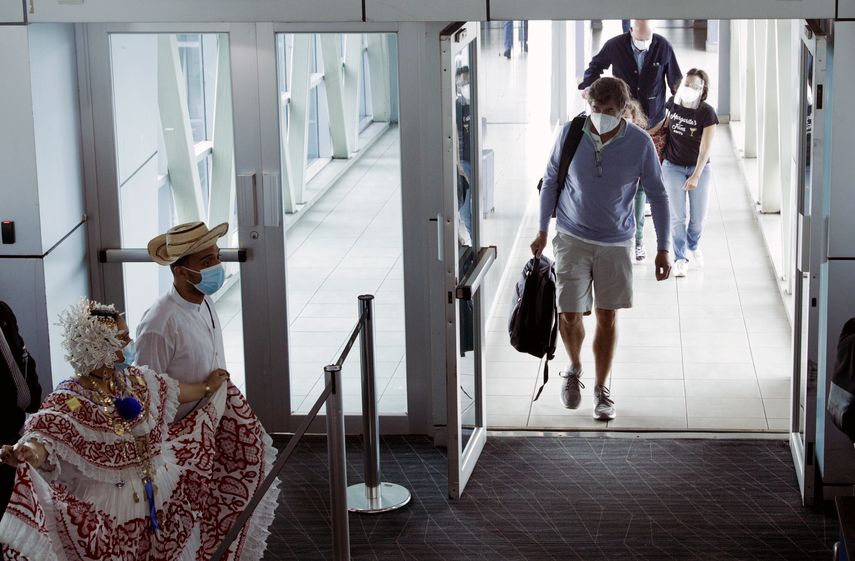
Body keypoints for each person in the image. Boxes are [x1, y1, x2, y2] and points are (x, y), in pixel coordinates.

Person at [0, 299, 273, 560]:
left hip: (160, 500)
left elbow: (173, 390)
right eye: (121, 339)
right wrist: (27, 451)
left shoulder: (134, 379)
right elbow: (46, 434)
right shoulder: (70, 397)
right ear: (98, 347)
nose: (129, 344)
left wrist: (207, 388)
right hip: (110, 513)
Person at [530, 77, 671, 421]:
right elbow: (550, 179)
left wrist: (663, 247)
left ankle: (601, 388)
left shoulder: (639, 143)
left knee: (607, 316)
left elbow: (658, 194)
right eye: (595, 108)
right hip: (571, 236)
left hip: (615, 242)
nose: (600, 115)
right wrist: (542, 230)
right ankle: (575, 367)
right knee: (569, 313)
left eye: (608, 110)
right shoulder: (571, 133)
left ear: (623, 111)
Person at [579, 19, 682, 263]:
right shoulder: (615, 45)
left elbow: (675, 82)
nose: (645, 44)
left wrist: (671, 108)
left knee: (647, 184)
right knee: (630, 183)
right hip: (623, 123)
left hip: (654, 124)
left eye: (648, 40)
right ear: (631, 31)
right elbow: (595, 67)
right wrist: (588, 88)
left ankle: (638, 239)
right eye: (640, 40)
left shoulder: (663, 47)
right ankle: (630, 234)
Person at [662, 68, 719, 278]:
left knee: (698, 218)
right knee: (678, 217)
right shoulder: (672, 104)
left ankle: (693, 245)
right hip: (672, 166)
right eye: (687, 84)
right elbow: (663, 128)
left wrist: (696, 175)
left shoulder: (706, 112)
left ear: (702, 89)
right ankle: (680, 258)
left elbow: (705, 149)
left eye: (695, 86)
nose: (690, 88)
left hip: (699, 168)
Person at [0, 301, 42, 517]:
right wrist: (23, 422)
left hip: (22, 428)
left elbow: (25, 359)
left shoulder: (3, 310)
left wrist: (35, 408)